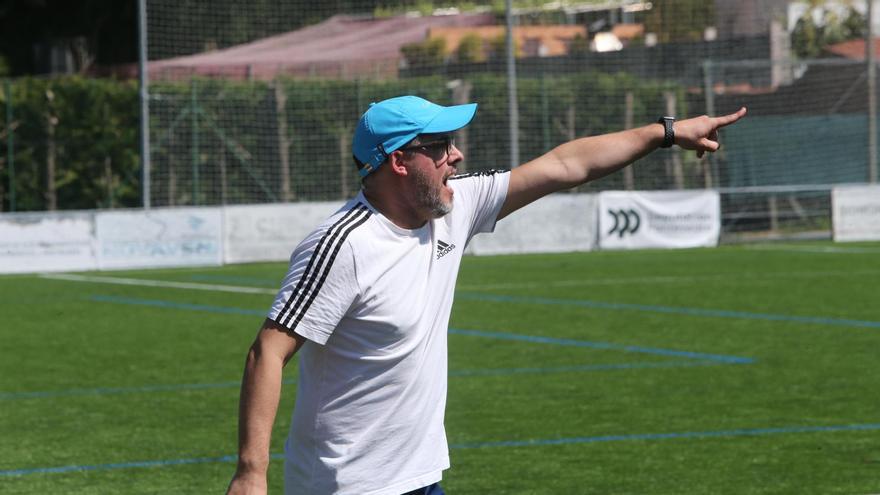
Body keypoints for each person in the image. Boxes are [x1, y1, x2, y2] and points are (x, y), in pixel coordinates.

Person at [226, 95, 747, 495]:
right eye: (440, 146)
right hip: (350, 486)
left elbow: (566, 165)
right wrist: (252, 474)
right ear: (399, 162)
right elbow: (268, 351)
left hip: (423, 476)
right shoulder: (345, 245)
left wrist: (668, 132)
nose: (457, 155)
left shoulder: (458, 205)